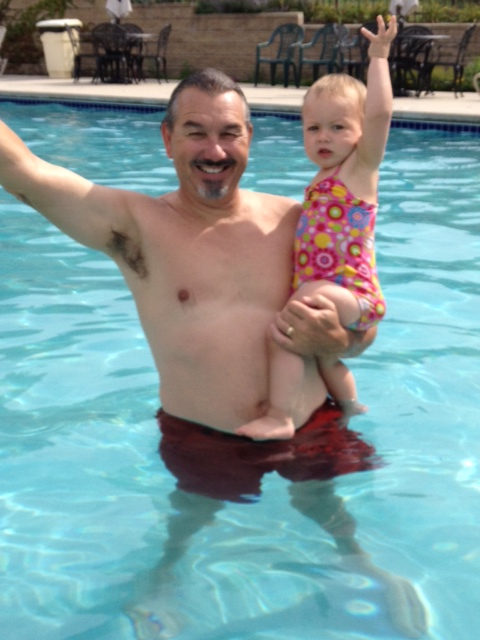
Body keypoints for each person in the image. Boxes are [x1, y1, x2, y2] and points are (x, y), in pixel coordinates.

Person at [0, 66, 426, 638]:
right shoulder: (134, 226)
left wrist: (338, 341)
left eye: (229, 133)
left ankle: (363, 568)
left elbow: (365, 321)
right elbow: (22, 171)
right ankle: (164, 578)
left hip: (311, 423)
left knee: (329, 509)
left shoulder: (296, 220)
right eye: (196, 132)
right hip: (203, 435)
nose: (215, 150)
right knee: (190, 517)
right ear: (167, 138)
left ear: (250, 138)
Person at [236, 16, 397, 442]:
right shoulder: (320, 180)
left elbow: (381, 113)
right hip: (338, 293)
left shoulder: (359, 169)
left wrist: (379, 58)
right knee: (324, 357)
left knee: (288, 327)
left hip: (353, 293)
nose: (323, 137)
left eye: (338, 127)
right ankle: (350, 405)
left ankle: (279, 416)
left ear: (361, 134)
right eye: (313, 128)